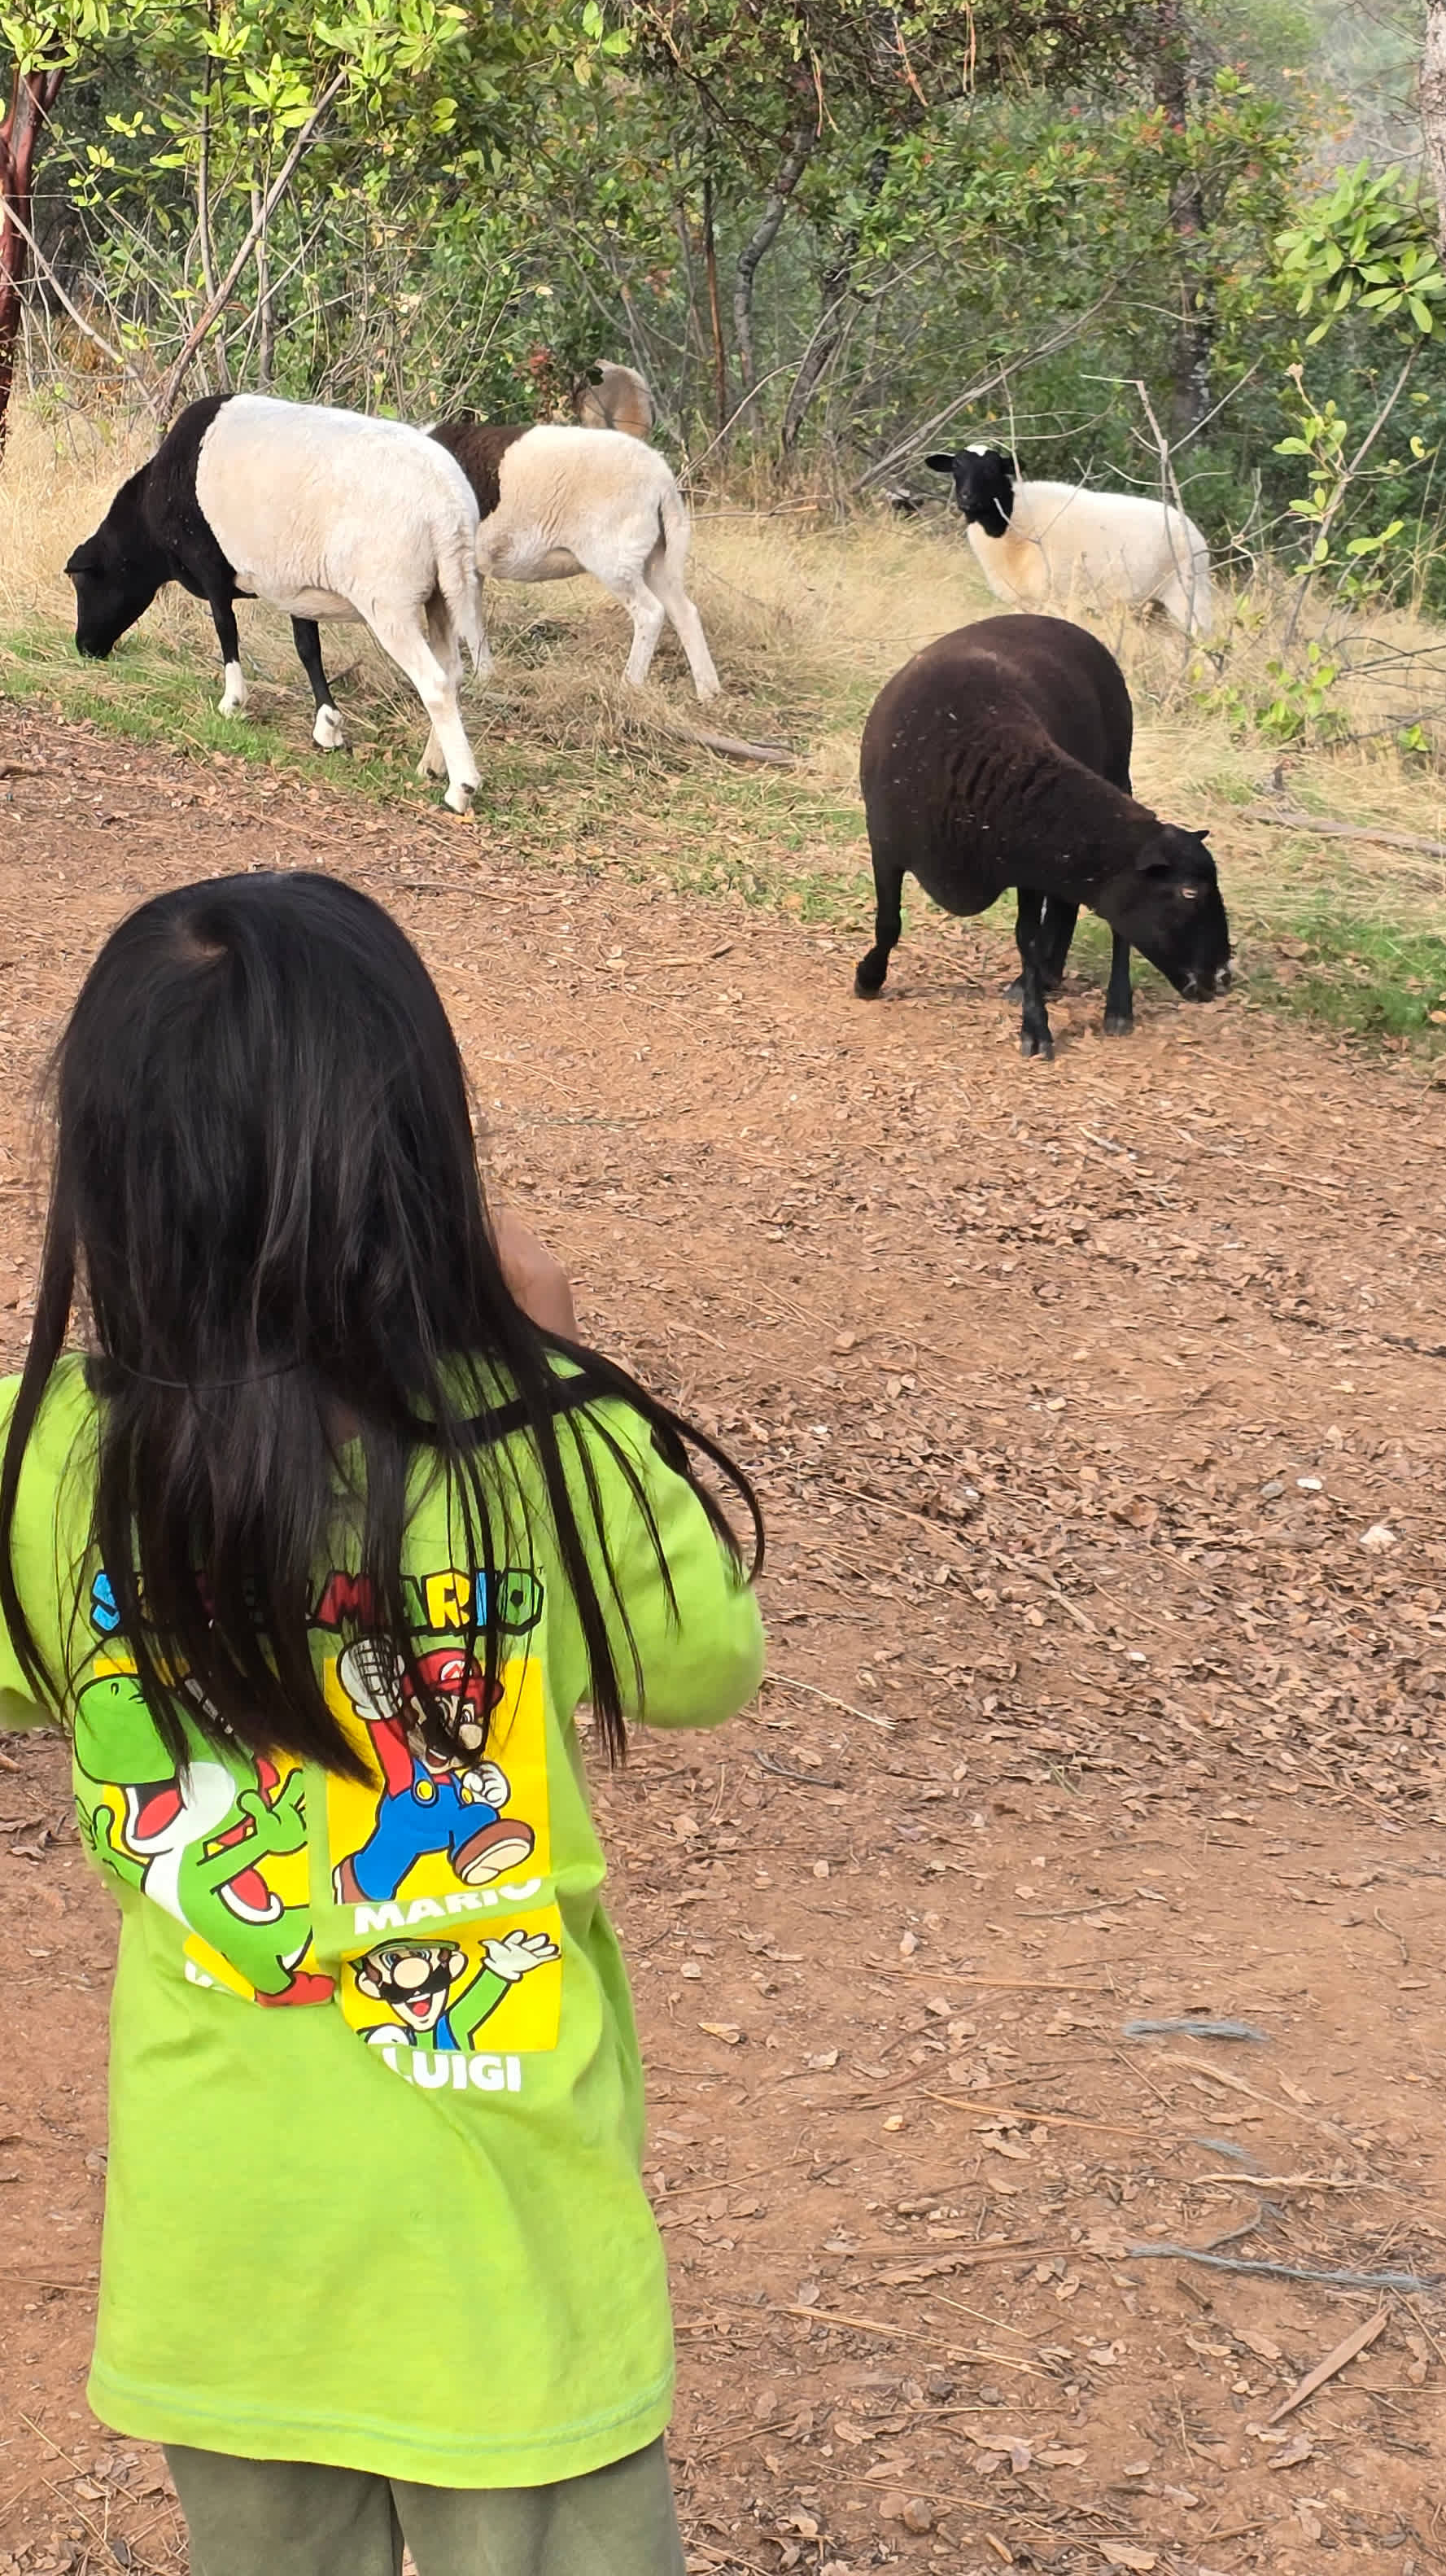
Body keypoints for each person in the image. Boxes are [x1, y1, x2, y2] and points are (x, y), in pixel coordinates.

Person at [0, 871, 764, 2576]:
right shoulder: (530, 1445)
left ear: (113, 1178)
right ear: (419, 1164)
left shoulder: (44, 1459)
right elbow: (707, 1659)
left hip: (228, 2278)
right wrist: (561, 1368)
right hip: (508, 2270)